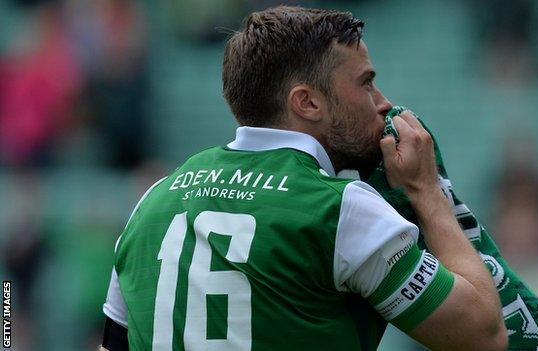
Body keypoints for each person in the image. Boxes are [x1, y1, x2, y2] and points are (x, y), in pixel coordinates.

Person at [99, 6, 507, 350]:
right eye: (366, 83)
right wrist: (426, 190)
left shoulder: (152, 201)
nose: (382, 103)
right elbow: (484, 335)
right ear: (307, 102)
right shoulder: (340, 207)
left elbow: (111, 343)